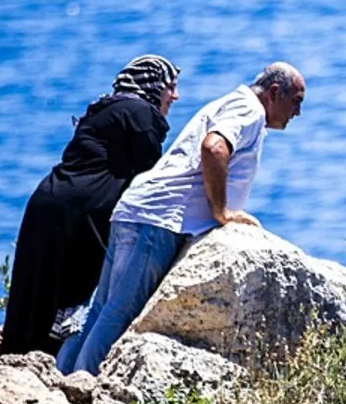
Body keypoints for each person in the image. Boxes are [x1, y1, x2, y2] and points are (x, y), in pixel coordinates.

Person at [57, 62, 306, 376]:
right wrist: (221, 212)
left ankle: (60, 382)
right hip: (159, 221)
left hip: (138, 211)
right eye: (296, 101)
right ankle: (81, 391)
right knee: (118, 316)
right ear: (274, 93)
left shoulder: (235, 102)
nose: (297, 112)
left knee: (99, 312)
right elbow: (214, 147)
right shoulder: (250, 111)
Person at [0, 55, 181, 357]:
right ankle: (56, 363)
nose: (175, 95)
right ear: (153, 85)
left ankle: (17, 357)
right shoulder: (142, 113)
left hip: (49, 200)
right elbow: (151, 178)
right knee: (78, 291)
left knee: (35, 287)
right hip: (81, 212)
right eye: (170, 86)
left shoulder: (108, 106)